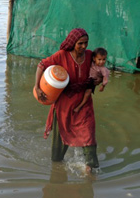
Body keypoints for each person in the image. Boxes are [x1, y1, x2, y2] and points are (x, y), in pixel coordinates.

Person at [34, 28, 99, 172]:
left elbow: (99, 70)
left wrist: (99, 80)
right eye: (80, 43)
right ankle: (57, 165)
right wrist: (37, 87)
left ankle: (90, 168)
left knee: (88, 132)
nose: (84, 46)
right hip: (65, 102)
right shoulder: (62, 55)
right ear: (73, 43)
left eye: (86, 43)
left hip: (84, 101)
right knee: (61, 135)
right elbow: (41, 65)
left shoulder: (89, 55)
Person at [73, 47, 109, 113]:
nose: (101, 62)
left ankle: (80, 106)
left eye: (104, 59)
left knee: (88, 92)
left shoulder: (103, 69)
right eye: (99, 59)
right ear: (94, 58)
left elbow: (105, 78)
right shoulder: (92, 63)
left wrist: (102, 86)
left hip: (92, 81)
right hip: (87, 79)